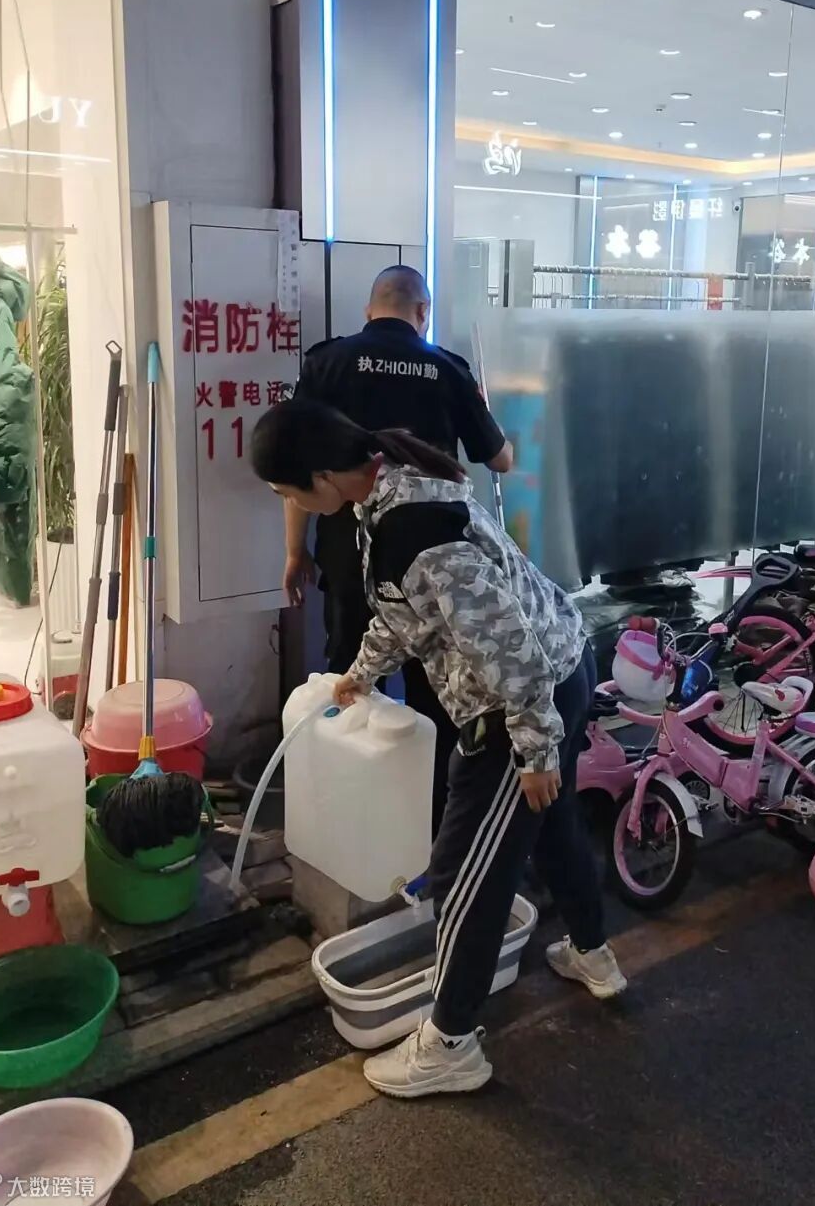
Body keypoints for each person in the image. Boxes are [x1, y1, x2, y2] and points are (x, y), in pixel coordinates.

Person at [251, 399, 626, 1098]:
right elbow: (411, 611)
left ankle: (450, 1043)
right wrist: (361, 673)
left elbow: (509, 650)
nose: (290, 504)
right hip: (562, 667)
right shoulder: (392, 480)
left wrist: (535, 751)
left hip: (519, 704)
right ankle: (593, 953)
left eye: (287, 491)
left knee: (464, 875)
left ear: (321, 476)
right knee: (550, 831)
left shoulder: (413, 533)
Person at [285, 264, 512, 831]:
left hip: (349, 549)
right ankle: (427, 817)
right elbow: (500, 459)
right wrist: (485, 412)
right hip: (431, 559)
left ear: (369, 311)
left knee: (351, 675)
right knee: (434, 687)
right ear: (423, 311)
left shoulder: (327, 362)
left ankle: (348, 808)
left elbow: (299, 468)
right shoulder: (448, 369)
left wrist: (294, 552)